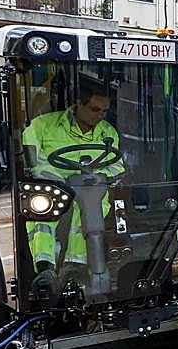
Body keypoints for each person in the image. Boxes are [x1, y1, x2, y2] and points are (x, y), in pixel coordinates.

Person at [21, 79, 125, 294]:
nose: (100, 115)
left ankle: (74, 266)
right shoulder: (42, 125)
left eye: (105, 111)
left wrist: (102, 177)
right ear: (79, 104)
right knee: (41, 208)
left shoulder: (108, 132)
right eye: (95, 109)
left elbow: (116, 167)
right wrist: (54, 181)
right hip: (55, 188)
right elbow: (31, 163)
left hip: (91, 189)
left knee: (94, 205)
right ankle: (45, 268)